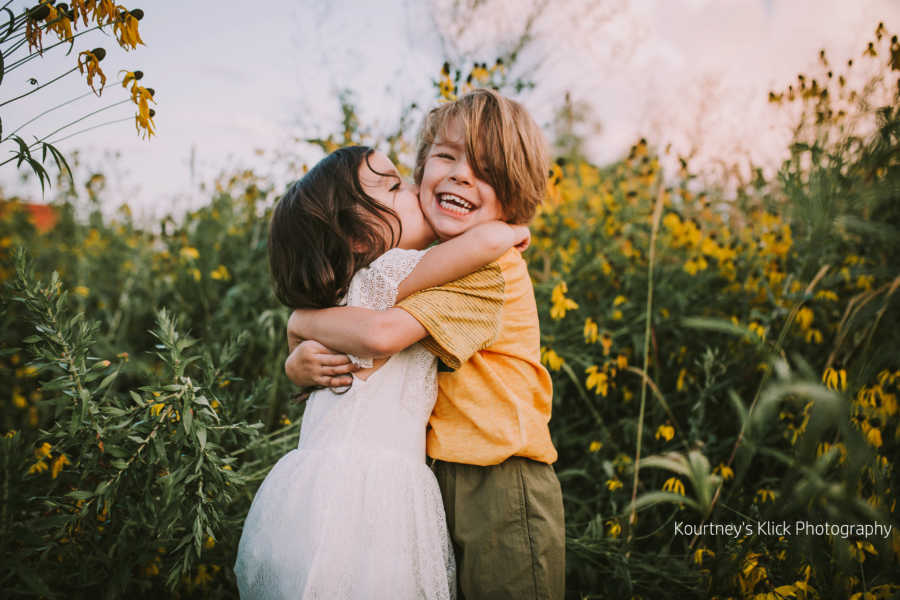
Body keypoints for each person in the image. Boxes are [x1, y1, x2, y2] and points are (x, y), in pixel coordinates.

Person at [286, 89, 566, 600]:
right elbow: (365, 320)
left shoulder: (487, 267)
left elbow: (378, 330)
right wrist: (297, 353)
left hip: (502, 478)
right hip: (435, 473)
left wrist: (302, 320)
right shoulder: (429, 261)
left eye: (486, 168)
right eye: (447, 155)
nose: (462, 174)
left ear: (513, 193)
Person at [234, 145, 530, 599]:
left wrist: (297, 341)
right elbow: (479, 246)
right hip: (366, 493)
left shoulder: (342, 294)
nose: (414, 189)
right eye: (395, 187)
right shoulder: (387, 273)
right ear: (358, 237)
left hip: (323, 491)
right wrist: (512, 228)